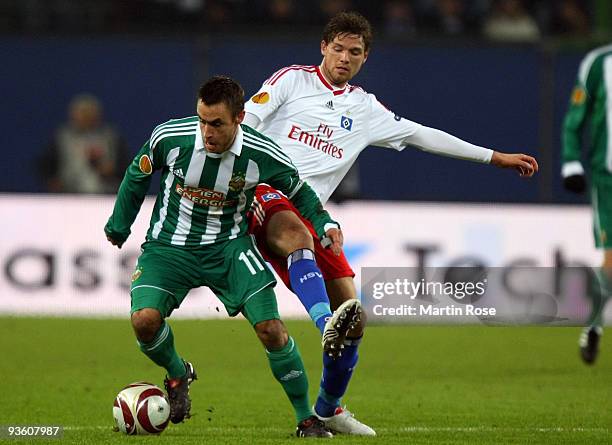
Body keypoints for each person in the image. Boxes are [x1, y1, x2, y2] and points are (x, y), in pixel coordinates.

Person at [243, 11, 538, 436]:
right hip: (262, 197)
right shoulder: (291, 80)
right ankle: (323, 324)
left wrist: (494, 156)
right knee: (299, 240)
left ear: (365, 59)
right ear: (323, 47)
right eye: (339, 48)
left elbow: (423, 135)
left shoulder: (364, 108)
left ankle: (328, 408)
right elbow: (247, 125)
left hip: (313, 216)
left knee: (354, 317)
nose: (345, 57)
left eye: (355, 52)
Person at [104, 76, 348, 437]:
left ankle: (305, 417)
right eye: (202, 120)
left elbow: (300, 193)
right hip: (169, 248)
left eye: (216, 123)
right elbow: (136, 173)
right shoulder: (170, 138)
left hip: (230, 248)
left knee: (272, 330)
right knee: (144, 321)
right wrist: (119, 223)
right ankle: (177, 373)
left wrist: (325, 222)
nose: (207, 131)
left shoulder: (262, 154)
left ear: (239, 118)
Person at [561, 43, 612, 365]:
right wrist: (570, 161)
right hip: (609, 177)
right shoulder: (598, 63)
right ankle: (594, 323)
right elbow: (574, 117)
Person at [39, 94, 128, 193]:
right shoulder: (63, 137)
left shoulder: (111, 137)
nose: (86, 117)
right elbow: (45, 165)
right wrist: (54, 182)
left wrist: (113, 171)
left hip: (105, 193)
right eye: (82, 113)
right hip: (70, 193)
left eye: (89, 113)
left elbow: (126, 167)